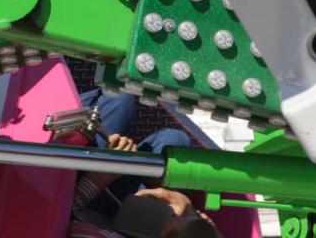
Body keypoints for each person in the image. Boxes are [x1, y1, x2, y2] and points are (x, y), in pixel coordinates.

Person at [67, 89, 219, 238]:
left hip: (76, 202)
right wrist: (175, 198)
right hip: (123, 218)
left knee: (120, 98)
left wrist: (104, 174)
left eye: (173, 217)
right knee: (176, 141)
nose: (176, 213)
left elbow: (61, 215)